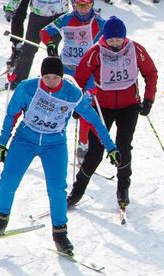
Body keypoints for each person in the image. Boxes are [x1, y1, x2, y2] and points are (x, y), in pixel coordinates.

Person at [0, 55, 114, 256]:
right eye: (47, 77)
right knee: (8, 179)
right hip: (25, 139)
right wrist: (2, 143)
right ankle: (0, 221)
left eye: (56, 78)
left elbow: (94, 121)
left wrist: (111, 147)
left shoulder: (71, 93)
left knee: (57, 189)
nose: (51, 82)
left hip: (54, 144)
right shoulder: (27, 88)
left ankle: (60, 233)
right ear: (41, 76)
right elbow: (11, 115)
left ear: (61, 77)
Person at [68, 16, 158, 212]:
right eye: (111, 40)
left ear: (124, 37)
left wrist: (149, 99)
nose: (115, 43)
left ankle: (123, 189)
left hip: (129, 106)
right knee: (95, 151)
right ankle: (77, 191)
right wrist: (77, 105)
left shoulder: (135, 49)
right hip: (102, 107)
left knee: (124, 147)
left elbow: (151, 73)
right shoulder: (96, 52)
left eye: (118, 39)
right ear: (104, 38)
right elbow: (79, 79)